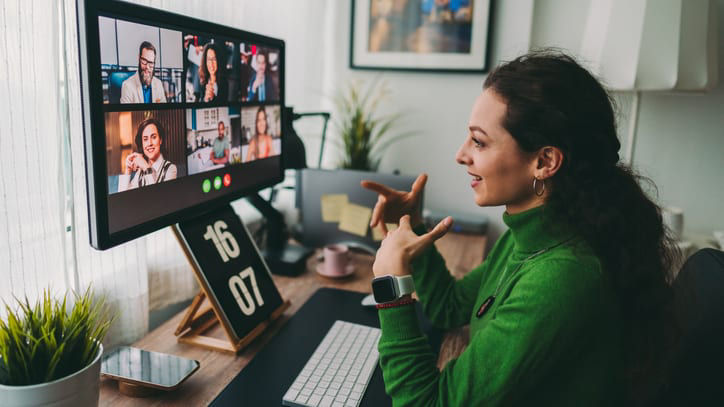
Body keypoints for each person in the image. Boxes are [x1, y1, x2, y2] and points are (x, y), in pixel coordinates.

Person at [363, 50, 678, 406]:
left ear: (544, 162)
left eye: (479, 141)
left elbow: (427, 403)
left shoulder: (562, 278)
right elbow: (449, 308)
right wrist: (414, 224)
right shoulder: (531, 237)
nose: (461, 155)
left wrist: (391, 286)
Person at [118, 118, 177, 191]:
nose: (149, 143)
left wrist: (146, 168)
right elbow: (123, 198)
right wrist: (128, 170)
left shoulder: (170, 169)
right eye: (145, 139)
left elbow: (157, 197)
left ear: (160, 140)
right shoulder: (140, 172)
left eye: (154, 137)